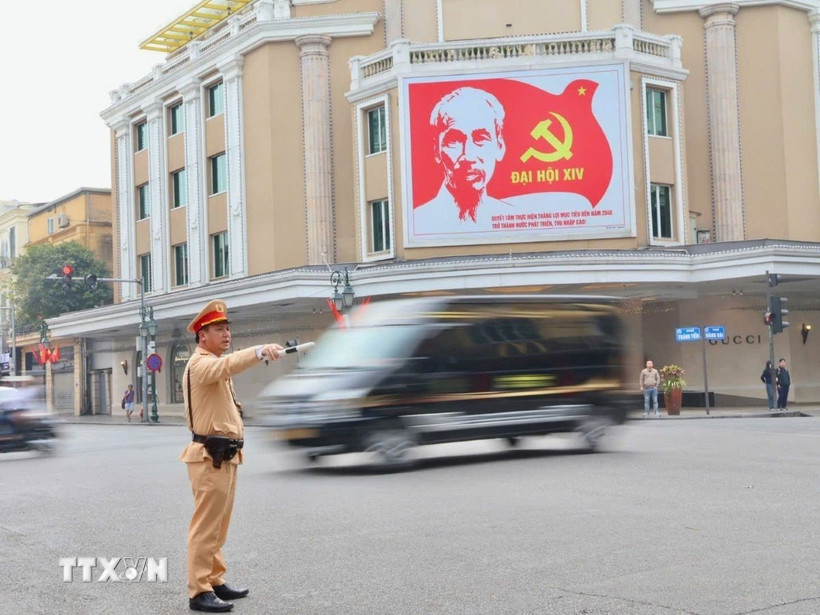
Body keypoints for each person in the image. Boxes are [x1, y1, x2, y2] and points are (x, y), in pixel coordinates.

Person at [180, 299, 284, 613]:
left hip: (225, 455)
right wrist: (258, 351)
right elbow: (226, 365)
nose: (226, 335)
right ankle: (199, 591)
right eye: (219, 330)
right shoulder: (202, 363)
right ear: (202, 336)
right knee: (206, 526)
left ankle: (214, 579)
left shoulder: (214, 363)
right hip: (210, 456)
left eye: (227, 329)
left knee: (219, 526)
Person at [414, 86, 513, 233]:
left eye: (480, 138)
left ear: (500, 146)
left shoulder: (510, 216)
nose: (468, 155)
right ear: (436, 149)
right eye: (454, 140)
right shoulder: (418, 220)